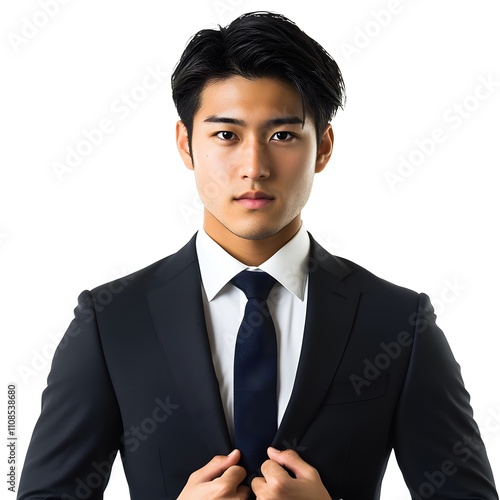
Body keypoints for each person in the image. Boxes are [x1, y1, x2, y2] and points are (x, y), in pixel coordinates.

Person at [18, 11, 498, 500]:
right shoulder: (112, 320)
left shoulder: (398, 322)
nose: (254, 167)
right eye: (226, 135)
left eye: (283, 136)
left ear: (324, 147)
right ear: (186, 145)